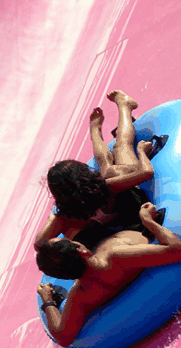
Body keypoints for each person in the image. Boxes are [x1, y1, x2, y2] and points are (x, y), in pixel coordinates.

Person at [35, 201, 181, 348]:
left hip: (99, 262)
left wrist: (48, 301)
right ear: (81, 250)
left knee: (70, 227)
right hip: (135, 233)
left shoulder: (80, 296)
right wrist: (147, 220)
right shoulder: (116, 257)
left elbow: (63, 337)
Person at [35, 90, 165, 250]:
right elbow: (146, 173)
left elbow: (38, 244)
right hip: (129, 202)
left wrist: (53, 221)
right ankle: (124, 106)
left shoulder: (65, 215)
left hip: (114, 225)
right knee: (121, 148)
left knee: (107, 167)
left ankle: (95, 131)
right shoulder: (107, 187)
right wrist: (141, 152)